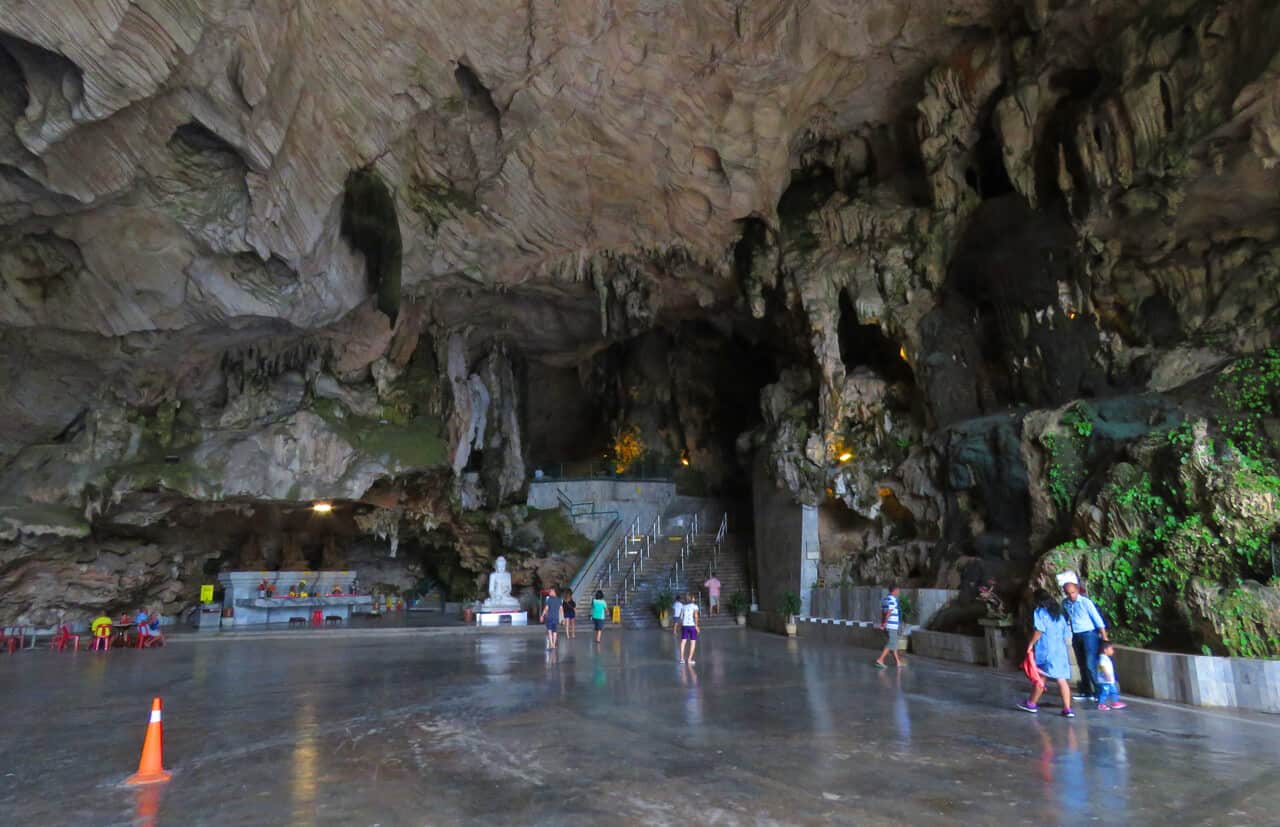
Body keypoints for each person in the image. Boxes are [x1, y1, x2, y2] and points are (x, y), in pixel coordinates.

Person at [1019, 589, 1076, 717]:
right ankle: (1067, 709)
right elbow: (1066, 633)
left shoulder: (1040, 612)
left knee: (1041, 677)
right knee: (1061, 679)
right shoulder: (1059, 614)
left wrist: (1030, 644)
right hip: (1060, 650)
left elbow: (1039, 630)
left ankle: (1031, 703)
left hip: (1046, 649)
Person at [1063, 580, 1108, 702]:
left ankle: (1099, 692)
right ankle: (1086, 691)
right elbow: (1064, 620)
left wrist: (1104, 637)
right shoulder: (1065, 604)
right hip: (1076, 635)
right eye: (1068, 593)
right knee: (1081, 665)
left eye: (1073, 592)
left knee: (1090, 664)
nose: (1071, 595)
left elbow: (1097, 619)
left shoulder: (1085, 602)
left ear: (1077, 591)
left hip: (1089, 635)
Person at [874, 586, 903, 669]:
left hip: (888, 625)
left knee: (893, 643)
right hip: (891, 625)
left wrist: (883, 624)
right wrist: (885, 624)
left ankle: (898, 662)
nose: (899, 592)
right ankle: (880, 660)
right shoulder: (892, 600)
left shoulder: (885, 599)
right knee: (891, 643)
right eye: (898, 590)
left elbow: (883, 613)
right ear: (895, 591)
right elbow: (888, 613)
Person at [1095, 641, 1127, 710]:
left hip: (1109, 681)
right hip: (1105, 681)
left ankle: (1115, 702)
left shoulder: (1106, 658)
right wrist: (1107, 675)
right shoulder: (1103, 658)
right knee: (1104, 693)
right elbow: (1102, 666)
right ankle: (1101, 704)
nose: (1113, 651)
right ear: (1105, 650)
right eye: (1111, 649)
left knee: (1113, 691)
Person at [678, 595, 700, 664]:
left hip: (685, 625)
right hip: (692, 626)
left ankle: (682, 659)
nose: (694, 598)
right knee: (693, 642)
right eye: (693, 597)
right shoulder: (695, 606)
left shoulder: (683, 607)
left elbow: (681, 618)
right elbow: (696, 616)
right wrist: (696, 626)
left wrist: (681, 626)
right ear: (692, 599)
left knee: (683, 642)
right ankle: (689, 659)